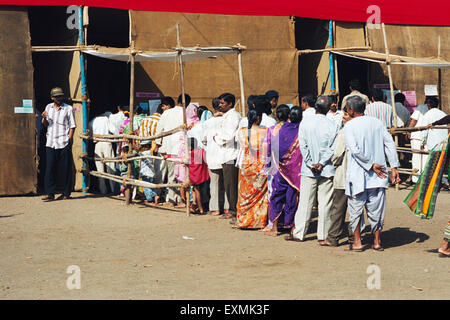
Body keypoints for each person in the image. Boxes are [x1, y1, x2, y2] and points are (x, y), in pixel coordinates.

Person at [343, 95, 401, 251]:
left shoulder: (349, 126)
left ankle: (357, 242)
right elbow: (389, 143)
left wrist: (370, 165)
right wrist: (394, 166)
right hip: (378, 175)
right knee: (377, 209)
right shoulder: (377, 123)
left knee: (355, 209)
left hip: (359, 175)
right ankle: (376, 241)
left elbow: (354, 150)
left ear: (351, 110)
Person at [285, 96, 339, 244]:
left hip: (309, 169)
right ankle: (323, 234)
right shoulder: (332, 125)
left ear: (315, 107)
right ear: (328, 109)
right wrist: (321, 163)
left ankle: (299, 233)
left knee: (305, 202)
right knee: (325, 203)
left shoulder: (305, 123)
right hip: (326, 169)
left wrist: (310, 163)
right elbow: (332, 148)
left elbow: (303, 146)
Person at [262, 105, 302, 236]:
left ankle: (274, 227)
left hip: (278, 168)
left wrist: (267, 166)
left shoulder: (276, 130)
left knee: (276, 196)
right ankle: (291, 226)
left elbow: (269, 148)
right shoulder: (300, 130)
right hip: (295, 170)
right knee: (292, 197)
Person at [321, 113, 353, 247]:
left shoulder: (344, 132)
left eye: (346, 114)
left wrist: (334, 163)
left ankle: (333, 237)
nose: (343, 117)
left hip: (344, 174)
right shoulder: (365, 129)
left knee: (338, 207)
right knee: (355, 209)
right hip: (358, 177)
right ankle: (354, 236)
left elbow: (337, 153)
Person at [41, 87, 76, 201]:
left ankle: (66, 193)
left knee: (66, 168)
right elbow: (45, 125)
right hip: (51, 142)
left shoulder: (68, 108)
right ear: (52, 98)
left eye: (60, 96)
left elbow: (72, 125)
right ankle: (50, 193)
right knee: (50, 168)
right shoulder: (48, 107)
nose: (59, 98)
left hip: (63, 141)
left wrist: (69, 139)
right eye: (56, 97)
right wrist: (44, 118)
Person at [235, 109, 269, 229]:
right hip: (260, 165)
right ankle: (258, 221)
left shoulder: (242, 132)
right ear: (258, 118)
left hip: (246, 165)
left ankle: (244, 221)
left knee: (244, 194)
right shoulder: (265, 131)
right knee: (261, 195)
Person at [213, 93, 241, 219]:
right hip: (226, 154)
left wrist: (217, 138)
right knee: (228, 183)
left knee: (231, 184)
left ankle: (233, 210)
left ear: (230, 104)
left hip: (231, 155)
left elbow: (228, 136)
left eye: (222, 103)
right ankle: (232, 209)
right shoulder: (228, 116)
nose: (220, 105)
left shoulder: (233, 116)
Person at [202, 98, 230, 216]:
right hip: (226, 156)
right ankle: (227, 208)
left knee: (214, 184)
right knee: (227, 184)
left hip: (213, 156)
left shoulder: (207, 123)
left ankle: (215, 209)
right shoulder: (227, 120)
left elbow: (203, 140)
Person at [155, 96, 184, 206]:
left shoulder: (166, 113)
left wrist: (157, 144)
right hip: (180, 148)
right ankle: (176, 198)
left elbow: (159, 130)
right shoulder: (184, 112)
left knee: (166, 174)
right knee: (178, 175)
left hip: (167, 147)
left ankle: (168, 198)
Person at [420, 97, 449, 188]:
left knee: (432, 163)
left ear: (428, 105)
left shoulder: (427, 115)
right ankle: (442, 181)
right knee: (441, 164)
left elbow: (425, 130)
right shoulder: (443, 114)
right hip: (443, 143)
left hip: (433, 143)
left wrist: (422, 142)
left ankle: (434, 182)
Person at [89, 111, 115, 194]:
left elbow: (89, 133)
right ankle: (113, 189)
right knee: (111, 166)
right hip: (107, 142)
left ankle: (103, 190)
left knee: (100, 168)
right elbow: (113, 130)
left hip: (97, 144)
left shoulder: (92, 121)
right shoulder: (106, 119)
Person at [188, 137, 210, 214]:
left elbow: (190, 164)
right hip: (204, 175)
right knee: (202, 192)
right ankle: (198, 206)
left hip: (195, 177)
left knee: (196, 192)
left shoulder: (192, 154)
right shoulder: (202, 151)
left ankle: (200, 209)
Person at [138, 140, 159, 205]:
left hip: (146, 173)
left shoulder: (145, 153)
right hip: (150, 173)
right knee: (151, 186)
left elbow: (137, 154)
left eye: (143, 146)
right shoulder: (149, 152)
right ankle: (155, 196)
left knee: (146, 187)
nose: (142, 148)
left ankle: (150, 200)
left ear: (147, 146)